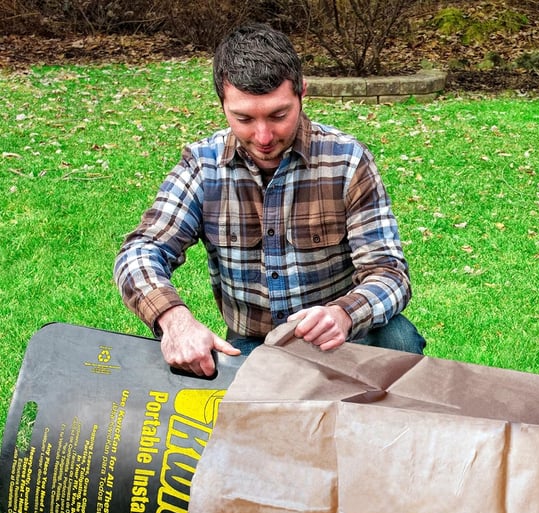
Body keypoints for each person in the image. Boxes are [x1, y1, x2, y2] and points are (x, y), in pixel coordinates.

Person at [114, 23, 426, 378]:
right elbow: (141, 251)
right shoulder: (203, 167)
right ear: (222, 103)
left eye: (279, 115)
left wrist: (343, 314)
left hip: (344, 339)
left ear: (302, 92)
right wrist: (174, 320)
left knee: (399, 339)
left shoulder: (347, 161)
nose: (263, 136)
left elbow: (389, 273)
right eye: (244, 118)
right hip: (254, 344)